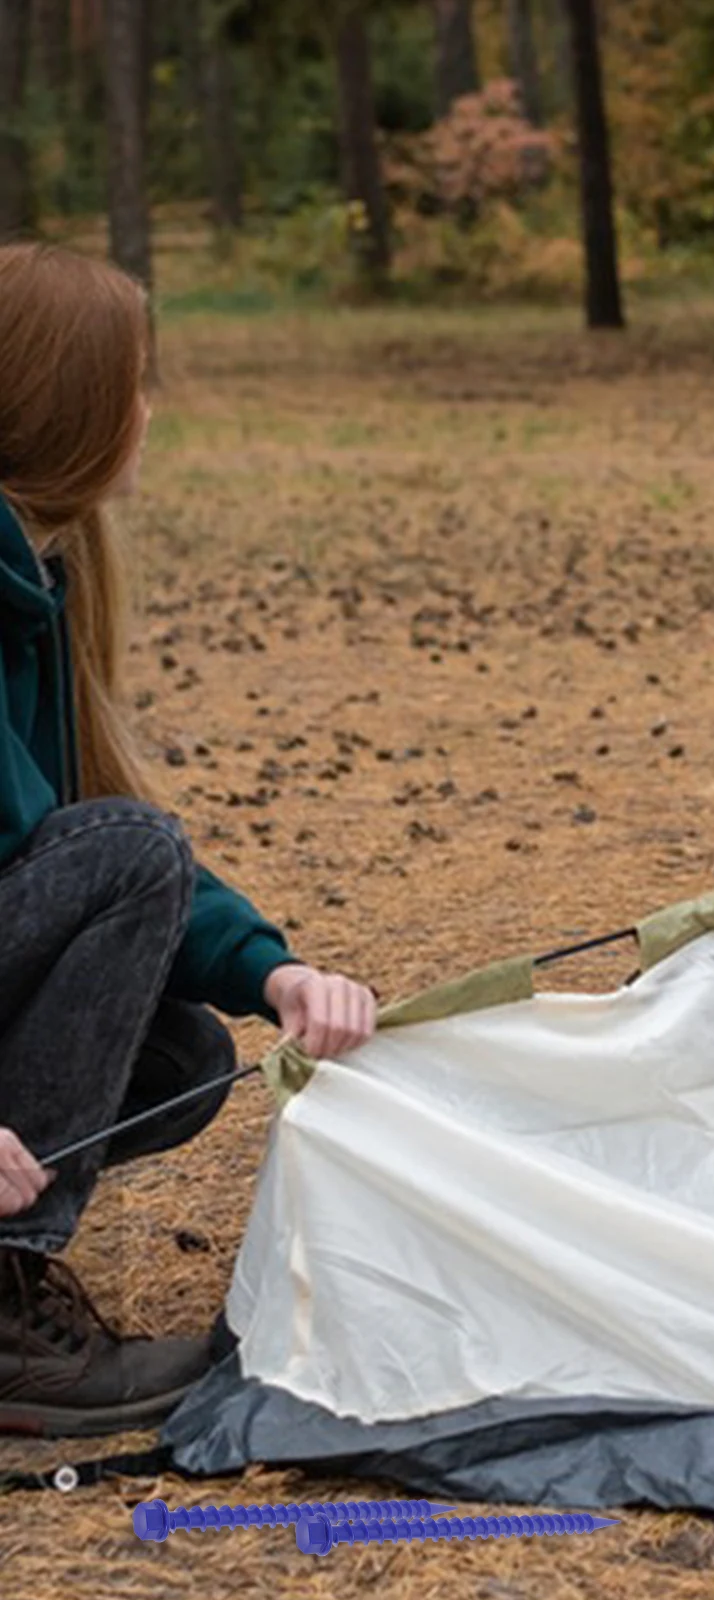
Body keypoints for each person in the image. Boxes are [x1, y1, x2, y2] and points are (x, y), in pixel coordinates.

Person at [0, 242, 378, 1437]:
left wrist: (274, 969)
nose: (149, 412)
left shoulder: (40, 582)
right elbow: (114, 857)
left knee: (178, 1061)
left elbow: (86, 842)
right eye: (136, 384)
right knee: (133, 847)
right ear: (62, 406)